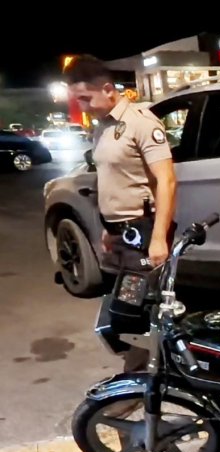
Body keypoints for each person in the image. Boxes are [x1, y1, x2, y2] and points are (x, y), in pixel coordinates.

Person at [65, 55, 177, 373]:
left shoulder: (141, 123)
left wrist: (158, 238)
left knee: (135, 310)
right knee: (126, 307)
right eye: (78, 99)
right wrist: (107, 227)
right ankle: (152, 369)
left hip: (142, 233)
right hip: (120, 233)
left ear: (108, 89)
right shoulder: (102, 128)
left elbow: (166, 180)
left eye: (85, 98)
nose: (82, 106)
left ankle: (135, 387)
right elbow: (111, 179)